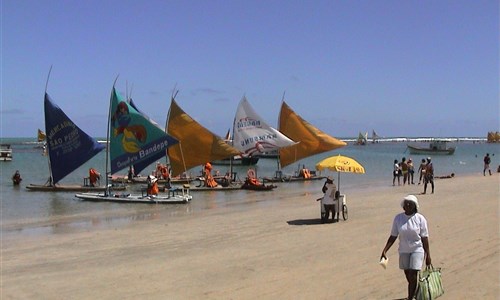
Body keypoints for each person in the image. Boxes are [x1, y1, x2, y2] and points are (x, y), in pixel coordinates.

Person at [380, 195, 432, 300]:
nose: (407, 205)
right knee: (408, 275)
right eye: (406, 203)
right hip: (403, 250)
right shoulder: (398, 218)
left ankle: (410, 297)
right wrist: (385, 250)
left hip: (417, 250)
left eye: (410, 203)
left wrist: (428, 255)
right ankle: (415, 292)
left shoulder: (420, 219)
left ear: (415, 206)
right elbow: (393, 235)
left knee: (413, 274)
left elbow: (424, 238)